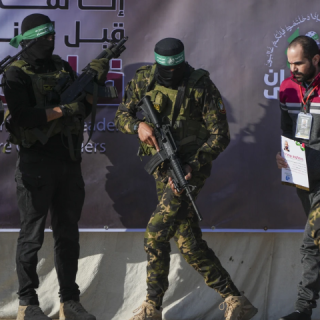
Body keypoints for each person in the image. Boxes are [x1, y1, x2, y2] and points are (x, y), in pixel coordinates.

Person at [115, 38, 257, 320]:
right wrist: (137, 126)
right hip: (161, 168)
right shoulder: (144, 79)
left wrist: (194, 163)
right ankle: (236, 300)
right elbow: (122, 115)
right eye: (164, 70)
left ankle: (152, 307)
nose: (170, 76)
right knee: (188, 242)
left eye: (175, 70)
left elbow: (220, 135)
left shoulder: (201, 85)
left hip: (189, 170)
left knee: (155, 233)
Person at [3, 13, 109, 320]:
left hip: (68, 161)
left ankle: (69, 302)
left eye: (53, 36)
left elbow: (85, 107)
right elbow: (24, 116)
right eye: (45, 37)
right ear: (32, 40)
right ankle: (27, 304)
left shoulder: (62, 67)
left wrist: (92, 83)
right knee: (31, 236)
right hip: (36, 163)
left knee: (68, 235)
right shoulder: (14, 74)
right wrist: (62, 109)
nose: (51, 41)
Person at [276, 35, 320, 320]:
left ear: (316, 60)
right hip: (305, 179)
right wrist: (284, 154)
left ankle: (302, 311)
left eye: (299, 63)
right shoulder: (286, 88)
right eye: (290, 63)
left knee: (310, 242)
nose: (293, 69)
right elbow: (287, 131)